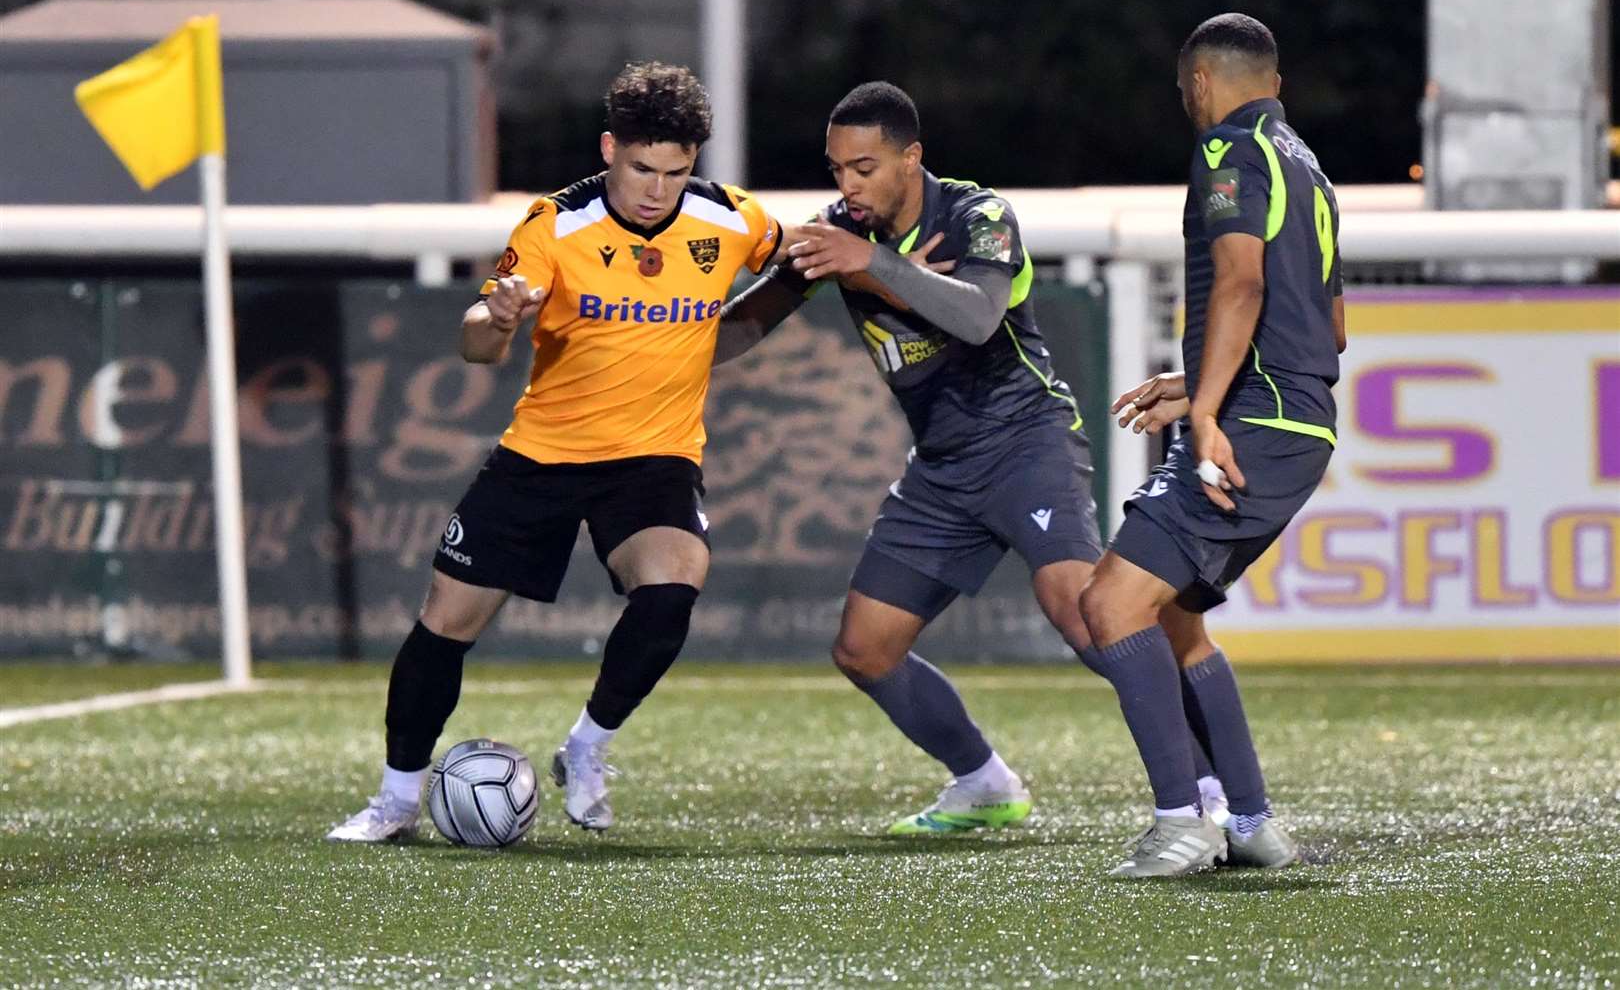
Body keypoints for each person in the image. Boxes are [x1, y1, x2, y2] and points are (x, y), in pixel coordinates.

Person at [717, 81, 1231, 836]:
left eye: (864, 167)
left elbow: (980, 315)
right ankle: (985, 782)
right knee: (864, 650)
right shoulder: (839, 230)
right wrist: (652, 338)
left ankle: (1210, 787)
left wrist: (878, 266)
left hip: (1026, 438)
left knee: (1086, 613)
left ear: (910, 158)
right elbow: (747, 325)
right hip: (942, 467)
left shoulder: (976, 214)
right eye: (836, 170)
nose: (847, 185)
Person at [327, 61, 786, 840]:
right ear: (611, 148)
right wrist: (500, 317)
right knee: (445, 623)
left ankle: (586, 747)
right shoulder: (554, 225)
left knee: (675, 583)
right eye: (642, 167)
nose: (657, 188)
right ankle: (397, 801)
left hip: (654, 459)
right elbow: (477, 342)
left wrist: (745, 327)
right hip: (542, 455)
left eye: (676, 172)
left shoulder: (733, 220)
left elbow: (800, 259)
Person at [1076, 13, 1347, 877]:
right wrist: (1202, 388)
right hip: (1297, 422)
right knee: (1176, 619)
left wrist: (1205, 418)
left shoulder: (1230, 151)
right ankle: (1252, 821)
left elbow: (1240, 280)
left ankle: (1181, 821)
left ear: (1199, 82)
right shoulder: (1311, 169)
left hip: (1254, 427)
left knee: (1110, 605)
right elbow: (1327, 328)